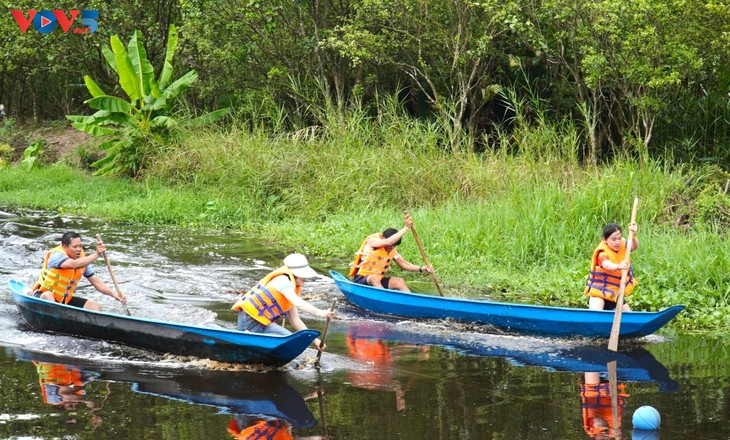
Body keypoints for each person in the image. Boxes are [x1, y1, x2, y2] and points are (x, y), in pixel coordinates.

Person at [231, 253, 335, 351]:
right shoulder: (282, 281)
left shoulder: (292, 288)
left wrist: (315, 341)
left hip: (264, 324)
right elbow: (298, 302)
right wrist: (321, 312)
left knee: (289, 341)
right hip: (250, 321)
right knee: (288, 342)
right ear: (294, 274)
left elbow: (295, 320)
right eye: (303, 275)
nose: (306, 279)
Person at [32, 231, 126, 311]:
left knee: (96, 306)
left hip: (65, 300)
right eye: (75, 247)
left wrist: (114, 294)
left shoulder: (83, 261)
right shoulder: (56, 255)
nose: (78, 250)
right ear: (64, 246)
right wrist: (97, 254)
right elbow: (74, 264)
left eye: (80, 246)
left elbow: (96, 282)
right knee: (48, 295)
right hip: (43, 296)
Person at [348, 213, 432, 292]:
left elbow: (404, 264)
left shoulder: (391, 249)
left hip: (378, 282)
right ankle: (383, 299)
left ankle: (412, 303)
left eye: (394, 246)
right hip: (361, 280)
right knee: (374, 278)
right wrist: (406, 228)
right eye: (391, 245)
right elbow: (388, 242)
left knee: (399, 282)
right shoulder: (372, 241)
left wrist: (421, 268)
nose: (391, 248)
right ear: (383, 238)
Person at [585, 222, 638, 311]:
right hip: (599, 293)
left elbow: (634, 246)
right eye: (613, 239)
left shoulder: (623, 244)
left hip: (615, 294)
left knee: (630, 317)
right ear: (605, 239)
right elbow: (607, 265)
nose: (617, 242)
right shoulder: (602, 252)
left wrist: (634, 235)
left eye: (619, 238)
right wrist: (618, 266)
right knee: (596, 316)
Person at [580, 371, 629, 439]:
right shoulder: (612, 433)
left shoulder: (591, 430)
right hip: (614, 392)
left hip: (593, 391)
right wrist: (619, 435)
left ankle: (592, 365)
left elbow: (597, 420)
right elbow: (622, 436)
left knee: (592, 373)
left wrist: (607, 428)